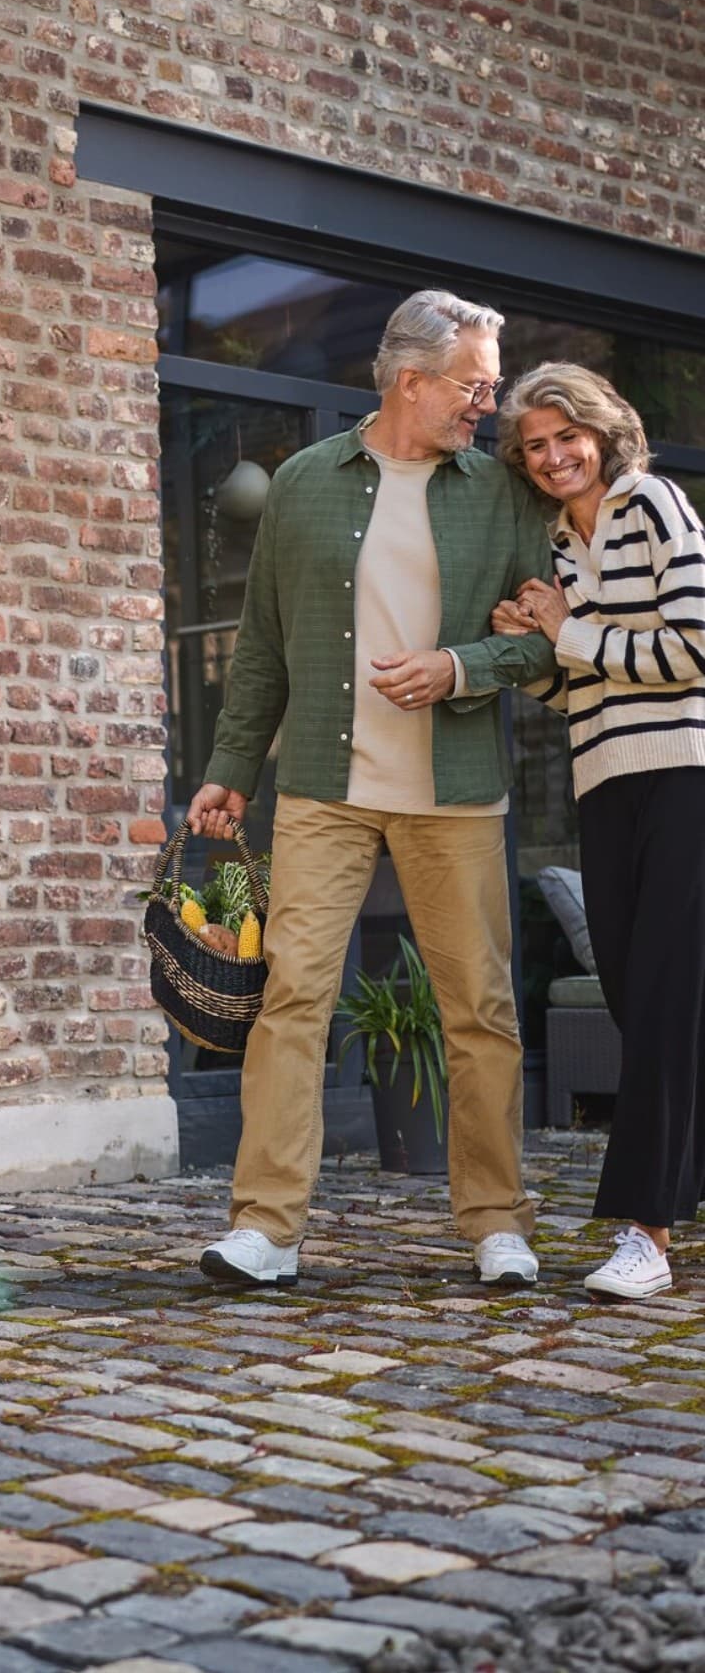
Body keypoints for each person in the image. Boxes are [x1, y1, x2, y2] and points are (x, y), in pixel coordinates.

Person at [186, 290, 557, 1289]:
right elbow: (261, 645)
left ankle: (496, 1222)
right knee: (292, 999)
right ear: (412, 381)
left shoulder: (501, 493)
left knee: (479, 1009)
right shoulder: (304, 482)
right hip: (325, 785)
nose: (486, 405)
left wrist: (458, 667)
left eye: (489, 387)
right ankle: (267, 1228)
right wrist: (230, 769)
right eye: (474, 386)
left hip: (456, 788)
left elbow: (539, 639)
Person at [489, 363, 705, 1301]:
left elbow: (694, 649)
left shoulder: (652, 504)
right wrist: (533, 652)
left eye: (566, 437)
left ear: (602, 431)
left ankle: (646, 1233)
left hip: (686, 773)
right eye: (535, 446)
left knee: (659, 1000)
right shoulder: (559, 547)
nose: (553, 457)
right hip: (604, 781)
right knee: (631, 987)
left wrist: (570, 632)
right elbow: (584, 688)